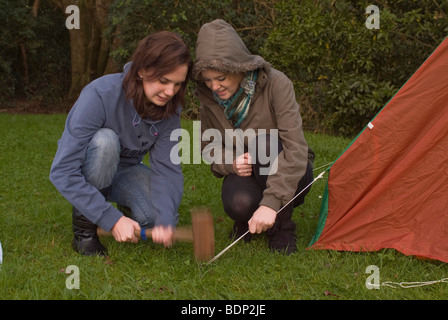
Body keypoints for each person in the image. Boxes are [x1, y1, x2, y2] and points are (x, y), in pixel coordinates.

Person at [50, 31, 193, 256]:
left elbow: (167, 168)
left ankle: (126, 208)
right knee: (106, 142)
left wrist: (165, 219)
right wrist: (111, 219)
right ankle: (85, 232)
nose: (169, 92)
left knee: (155, 219)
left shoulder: (170, 108)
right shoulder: (99, 94)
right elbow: (62, 170)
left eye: (177, 84)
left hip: (125, 169)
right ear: (142, 71)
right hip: (92, 164)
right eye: (163, 81)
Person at [193, 19, 314, 254]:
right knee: (238, 202)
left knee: (264, 144)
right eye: (208, 80)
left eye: (220, 78)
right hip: (248, 171)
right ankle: (248, 219)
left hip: (290, 169)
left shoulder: (276, 84)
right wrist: (231, 163)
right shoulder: (209, 101)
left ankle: (282, 225)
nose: (214, 87)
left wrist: (271, 203)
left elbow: (296, 147)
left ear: (237, 68)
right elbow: (208, 146)